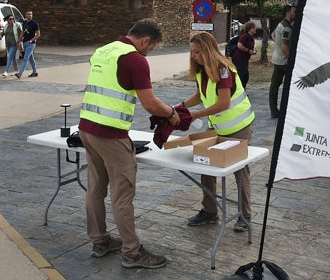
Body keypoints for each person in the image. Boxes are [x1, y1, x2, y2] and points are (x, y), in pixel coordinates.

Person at [78, 18, 180, 270]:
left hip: (87, 128)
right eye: (152, 47)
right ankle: (132, 253)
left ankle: (100, 241)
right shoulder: (135, 59)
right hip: (111, 135)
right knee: (123, 194)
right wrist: (170, 113)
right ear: (145, 40)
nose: (150, 52)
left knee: (95, 189)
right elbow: (150, 103)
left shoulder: (103, 51)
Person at [182, 31, 256, 232]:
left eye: (197, 52)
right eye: (192, 52)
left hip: (239, 128)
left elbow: (223, 103)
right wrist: (180, 107)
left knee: (241, 171)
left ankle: (244, 216)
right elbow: (200, 95)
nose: (193, 56)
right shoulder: (201, 70)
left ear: (207, 51)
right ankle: (209, 211)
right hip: (216, 127)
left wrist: (196, 115)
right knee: (206, 165)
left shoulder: (223, 68)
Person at [269, 5, 296, 118]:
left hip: (277, 59)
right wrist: (291, 59)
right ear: (288, 12)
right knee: (290, 85)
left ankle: (274, 111)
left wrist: (278, 45)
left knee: (274, 86)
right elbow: (285, 46)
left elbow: (273, 35)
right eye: (294, 11)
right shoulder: (287, 28)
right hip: (284, 61)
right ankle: (285, 110)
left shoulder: (281, 24)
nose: (295, 13)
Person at [231, 20, 257, 88]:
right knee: (242, 75)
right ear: (249, 29)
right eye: (253, 27)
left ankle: (242, 89)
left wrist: (252, 51)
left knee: (245, 76)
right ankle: (239, 90)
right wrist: (248, 51)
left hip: (245, 59)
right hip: (239, 58)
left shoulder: (251, 38)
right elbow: (239, 45)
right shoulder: (244, 36)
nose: (255, 29)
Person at [15, 10, 40, 79]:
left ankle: (20, 73)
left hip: (31, 44)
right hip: (25, 43)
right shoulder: (25, 22)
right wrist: (19, 41)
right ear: (25, 15)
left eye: (31, 14)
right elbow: (22, 32)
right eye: (28, 14)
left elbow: (38, 35)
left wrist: (31, 40)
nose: (30, 15)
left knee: (25, 58)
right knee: (31, 58)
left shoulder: (35, 23)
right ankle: (35, 72)